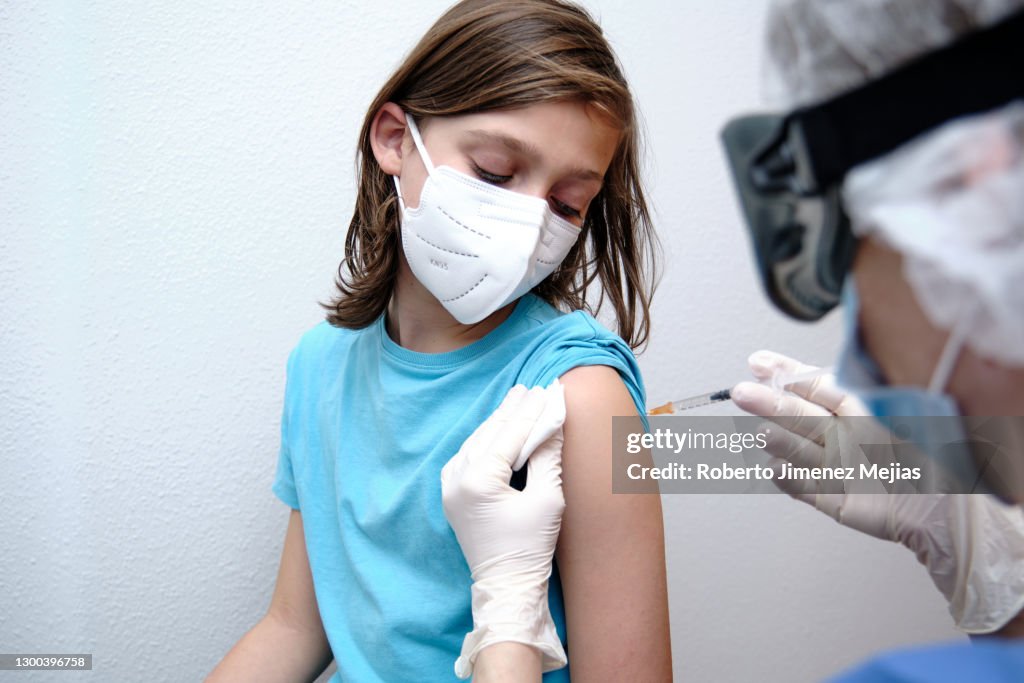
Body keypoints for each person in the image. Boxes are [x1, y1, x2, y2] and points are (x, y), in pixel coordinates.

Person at [440, 0, 1024, 680]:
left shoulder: (585, 385)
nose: (860, 336)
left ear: (977, 181)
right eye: (493, 171)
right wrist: (990, 562)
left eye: (854, 249)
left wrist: (508, 623)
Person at [205, 1, 672, 681]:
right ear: (395, 138)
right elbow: (295, 626)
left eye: (568, 204)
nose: (528, 223)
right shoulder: (321, 364)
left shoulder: (583, 396)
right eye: (494, 170)